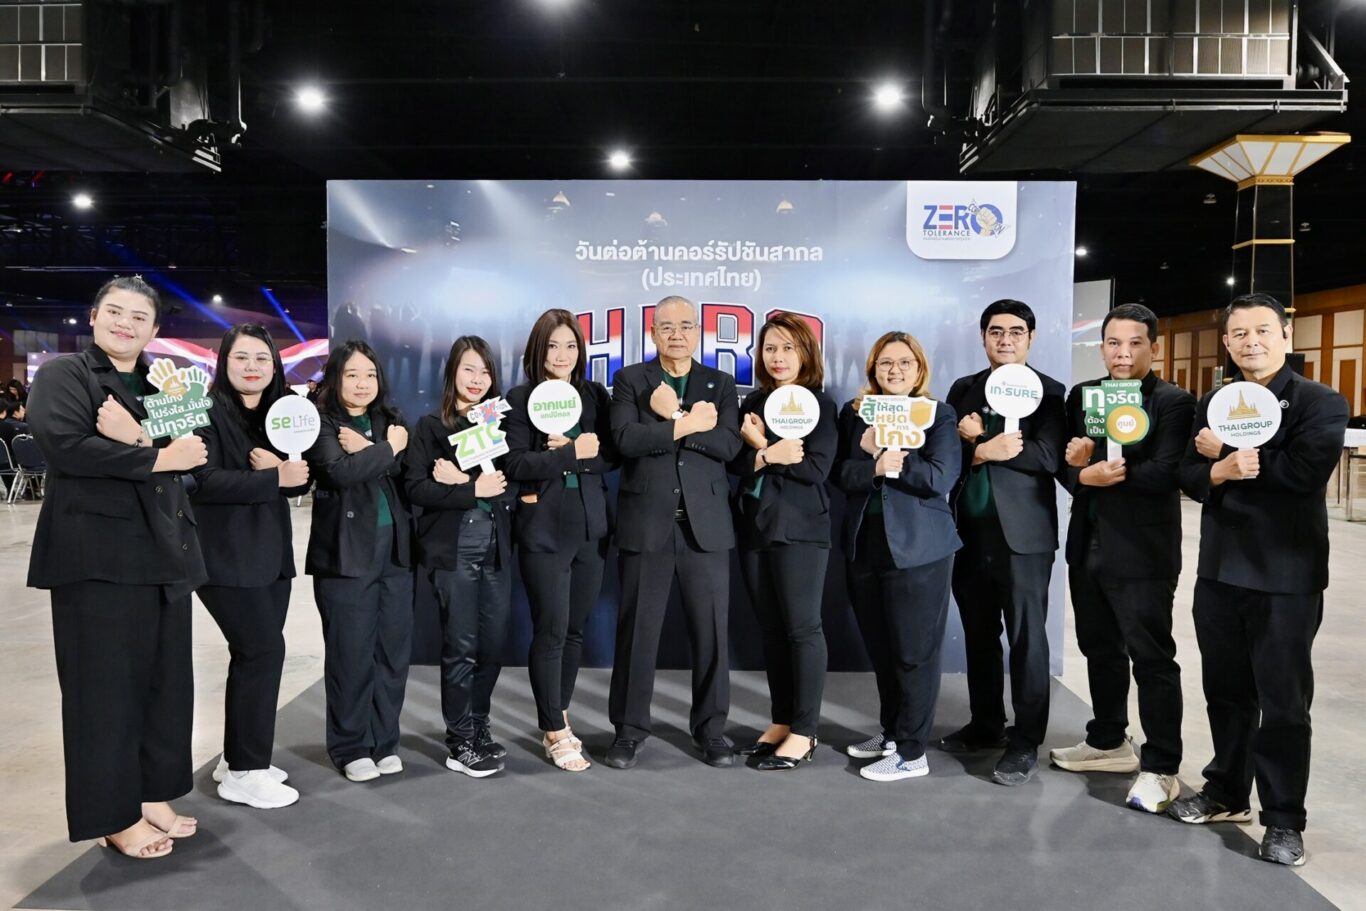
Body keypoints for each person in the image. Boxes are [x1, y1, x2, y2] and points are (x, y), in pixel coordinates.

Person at [26, 275, 208, 858]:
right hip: (97, 559)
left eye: (138, 316)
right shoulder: (66, 374)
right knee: (102, 694)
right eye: (115, 311)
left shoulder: (165, 383)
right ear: (94, 316)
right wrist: (156, 453)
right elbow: (64, 446)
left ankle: (152, 793)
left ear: (154, 330)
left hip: (166, 553)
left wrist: (143, 440)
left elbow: (194, 453)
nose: (125, 323)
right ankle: (113, 815)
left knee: (166, 687)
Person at [1171, 293, 1349, 867]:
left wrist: (1228, 456)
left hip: (1286, 575)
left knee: (1284, 703)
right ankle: (1226, 792)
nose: (1251, 341)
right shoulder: (1215, 401)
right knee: (1226, 692)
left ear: (1285, 335)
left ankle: (1284, 820)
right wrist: (1215, 470)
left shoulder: (1321, 402)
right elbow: (1189, 475)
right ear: (1226, 342)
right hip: (1220, 569)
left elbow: (1304, 473)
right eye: (1240, 333)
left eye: (1263, 330)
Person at [1052, 303, 1195, 812]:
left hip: (1143, 551)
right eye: (1114, 343)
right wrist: (1079, 474)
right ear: (1102, 347)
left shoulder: (1174, 401)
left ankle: (1162, 766)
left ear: (1154, 347)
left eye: (1135, 343)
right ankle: (1108, 740)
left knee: (1151, 658)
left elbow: (1168, 471)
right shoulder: (1083, 395)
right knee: (1099, 648)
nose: (1124, 353)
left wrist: (1099, 470)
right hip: (1087, 543)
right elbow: (1067, 463)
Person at [604, 295, 742, 769]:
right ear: (653, 333)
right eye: (667, 327)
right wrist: (687, 422)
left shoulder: (720, 382)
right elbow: (625, 440)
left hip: (705, 528)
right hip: (647, 526)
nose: (677, 334)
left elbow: (728, 445)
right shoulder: (630, 380)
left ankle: (711, 731)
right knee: (637, 635)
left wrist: (674, 418)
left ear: (698, 331)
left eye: (685, 325)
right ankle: (628, 731)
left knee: (712, 636)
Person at [942, 299, 1065, 786]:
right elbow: (945, 454)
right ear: (983, 337)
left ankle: (1026, 740)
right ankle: (986, 724)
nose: (1006, 339)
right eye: (996, 331)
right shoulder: (964, 389)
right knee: (978, 633)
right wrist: (976, 450)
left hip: (1024, 537)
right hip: (968, 532)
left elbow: (1049, 456)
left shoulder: (1050, 393)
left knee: (1027, 639)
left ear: (1031, 338)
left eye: (1016, 331)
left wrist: (985, 444)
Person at [191, 325, 312, 809]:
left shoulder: (279, 414)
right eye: (241, 357)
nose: (252, 366)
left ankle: (235, 758)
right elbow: (200, 480)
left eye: (262, 358)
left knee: (252, 655)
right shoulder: (204, 411)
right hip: (223, 556)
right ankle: (246, 770)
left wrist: (288, 474)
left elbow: (296, 480)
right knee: (263, 651)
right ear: (224, 362)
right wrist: (271, 477)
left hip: (271, 554)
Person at [833, 330, 961, 782]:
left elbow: (941, 477)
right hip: (864, 545)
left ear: (919, 368)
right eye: (886, 362)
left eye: (905, 362)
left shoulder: (938, 414)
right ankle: (891, 734)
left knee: (914, 653)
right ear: (874, 369)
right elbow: (839, 473)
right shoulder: (855, 414)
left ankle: (911, 752)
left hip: (920, 550)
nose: (895, 370)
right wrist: (871, 464)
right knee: (883, 649)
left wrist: (893, 458)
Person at [504, 311, 618, 772]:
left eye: (570, 345)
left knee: (574, 630)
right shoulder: (519, 399)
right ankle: (553, 730)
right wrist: (569, 454)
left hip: (591, 527)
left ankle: (561, 716)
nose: (562, 355)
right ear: (538, 350)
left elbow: (612, 454)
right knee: (550, 629)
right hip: (544, 529)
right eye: (552, 345)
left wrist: (580, 456)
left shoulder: (595, 395)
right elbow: (514, 463)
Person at [728, 312, 837, 771]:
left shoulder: (820, 404)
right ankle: (781, 720)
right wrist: (766, 451)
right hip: (755, 526)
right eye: (770, 347)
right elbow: (734, 463)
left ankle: (805, 731)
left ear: (806, 353)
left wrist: (763, 448)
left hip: (801, 530)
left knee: (802, 628)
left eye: (788, 347)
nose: (778, 357)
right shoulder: (753, 401)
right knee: (771, 629)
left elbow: (816, 469)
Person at [404, 336, 516, 778]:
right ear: (452, 371)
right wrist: (468, 489)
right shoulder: (431, 427)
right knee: (461, 646)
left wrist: (461, 479)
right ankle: (460, 741)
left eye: (485, 371)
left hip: (497, 546)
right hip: (454, 549)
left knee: (492, 645)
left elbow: (510, 481)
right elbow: (415, 487)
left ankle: (479, 724)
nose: (477, 379)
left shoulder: (500, 424)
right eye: (469, 369)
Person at [305, 339, 414, 783]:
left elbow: (407, 472)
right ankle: (349, 746)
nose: (362, 383)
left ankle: (385, 742)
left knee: (392, 653)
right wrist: (385, 450)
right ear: (336, 378)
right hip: (346, 555)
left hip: (396, 553)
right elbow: (339, 472)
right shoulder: (320, 421)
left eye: (370, 374)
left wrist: (369, 447)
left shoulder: (391, 419)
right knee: (350, 655)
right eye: (352, 374)